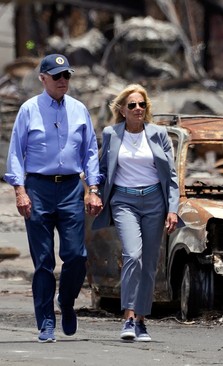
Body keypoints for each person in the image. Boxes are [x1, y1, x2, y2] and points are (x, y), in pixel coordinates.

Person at [3, 54, 103, 343]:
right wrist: (19, 191)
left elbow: (90, 152)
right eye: (57, 76)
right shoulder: (28, 109)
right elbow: (15, 154)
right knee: (43, 261)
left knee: (76, 256)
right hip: (38, 189)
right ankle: (45, 321)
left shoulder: (79, 109)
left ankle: (67, 301)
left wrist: (93, 188)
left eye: (66, 76)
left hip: (71, 188)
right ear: (42, 78)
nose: (62, 81)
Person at [91, 84, 179, 342]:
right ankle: (128, 317)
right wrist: (92, 190)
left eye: (142, 104)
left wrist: (172, 209)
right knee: (133, 255)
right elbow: (101, 167)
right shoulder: (111, 133)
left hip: (154, 202)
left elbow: (171, 176)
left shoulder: (158, 134)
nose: (138, 109)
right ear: (122, 110)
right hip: (124, 201)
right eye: (132, 105)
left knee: (150, 263)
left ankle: (141, 320)